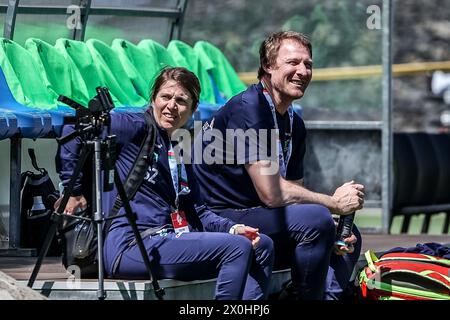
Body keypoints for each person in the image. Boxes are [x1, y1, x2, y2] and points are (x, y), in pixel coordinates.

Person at [56, 67, 274, 300]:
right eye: (166, 97)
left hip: (169, 239)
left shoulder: (180, 147)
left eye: (181, 100)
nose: (172, 106)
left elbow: (197, 210)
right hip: (130, 244)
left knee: (261, 245)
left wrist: (232, 228)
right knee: (235, 248)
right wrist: (74, 190)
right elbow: (74, 127)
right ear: (153, 99)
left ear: (193, 109)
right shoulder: (135, 126)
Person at [192, 31, 364, 300]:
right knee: (318, 219)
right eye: (293, 62)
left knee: (346, 235)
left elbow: (293, 196)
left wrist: (334, 226)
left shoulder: (294, 122)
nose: (302, 71)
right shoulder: (248, 108)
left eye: (308, 64)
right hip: (222, 218)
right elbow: (272, 194)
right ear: (268, 66)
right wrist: (334, 203)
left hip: (259, 214)